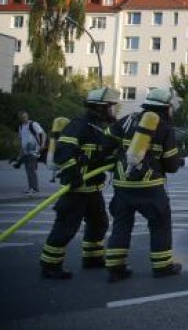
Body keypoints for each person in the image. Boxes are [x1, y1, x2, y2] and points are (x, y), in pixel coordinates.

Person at [103, 88, 183, 282]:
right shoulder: (163, 128)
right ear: (166, 107)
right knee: (160, 223)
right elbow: (171, 165)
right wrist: (178, 161)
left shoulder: (127, 120)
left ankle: (115, 267)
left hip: (122, 184)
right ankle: (162, 266)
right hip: (150, 186)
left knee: (121, 224)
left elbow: (106, 143)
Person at [40, 87, 119, 280]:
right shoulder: (80, 124)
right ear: (100, 108)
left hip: (92, 187)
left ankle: (92, 258)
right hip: (76, 187)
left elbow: (99, 155)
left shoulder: (98, 128)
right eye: (110, 107)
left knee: (99, 223)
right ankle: (50, 264)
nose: (113, 111)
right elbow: (63, 151)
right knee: (66, 226)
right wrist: (73, 173)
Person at [14, 110, 46, 195]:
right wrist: (20, 153)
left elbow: (42, 133)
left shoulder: (33, 124)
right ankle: (31, 188)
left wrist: (42, 144)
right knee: (28, 170)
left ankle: (34, 189)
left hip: (34, 151)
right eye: (22, 117)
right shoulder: (21, 127)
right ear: (20, 118)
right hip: (25, 152)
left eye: (25, 117)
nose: (24, 119)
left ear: (27, 116)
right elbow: (21, 140)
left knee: (31, 170)